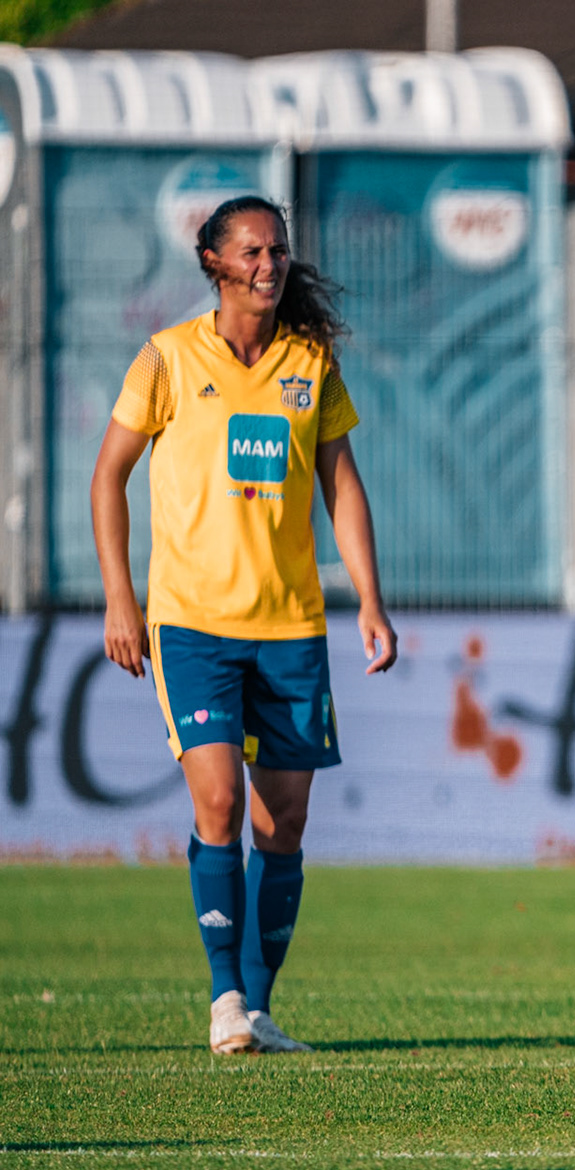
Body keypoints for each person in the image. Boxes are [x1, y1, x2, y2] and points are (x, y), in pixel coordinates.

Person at [90, 195, 396, 1055]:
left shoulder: (311, 363)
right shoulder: (168, 360)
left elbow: (342, 486)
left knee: (284, 824)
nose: (270, 265)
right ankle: (224, 998)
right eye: (254, 252)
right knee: (218, 800)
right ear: (215, 265)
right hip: (191, 625)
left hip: (291, 630)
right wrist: (123, 597)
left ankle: (258, 1010)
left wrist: (369, 599)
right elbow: (106, 479)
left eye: (279, 251)